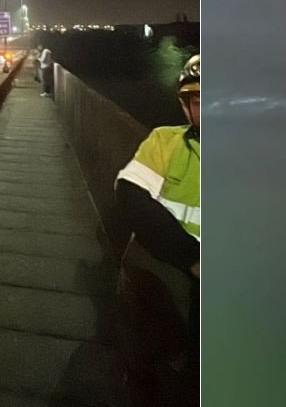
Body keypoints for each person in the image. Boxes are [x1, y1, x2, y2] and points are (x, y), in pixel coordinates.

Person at [114, 54, 200, 407]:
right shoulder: (166, 141)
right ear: (185, 106)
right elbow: (131, 194)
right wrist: (192, 258)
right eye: (198, 102)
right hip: (177, 262)